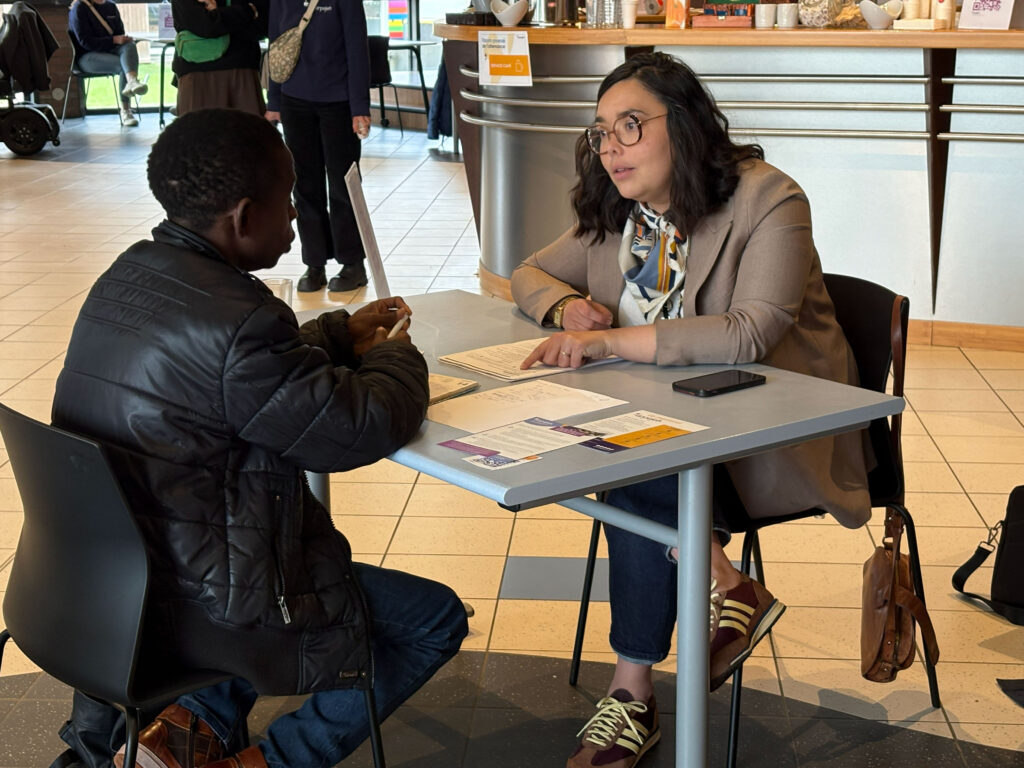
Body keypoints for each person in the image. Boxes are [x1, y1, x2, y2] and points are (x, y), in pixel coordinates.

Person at [51, 108, 468, 768]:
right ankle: (273, 762)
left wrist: (334, 336)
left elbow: (227, 377)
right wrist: (396, 354)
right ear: (244, 218)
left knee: (273, 584)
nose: (298, 219)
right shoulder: (242, 318)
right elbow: (358, 427)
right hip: (205, 596)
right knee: (434, 620)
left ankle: (181, 737)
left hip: (120, 578)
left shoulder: (131, 274)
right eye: (290, 201)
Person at [510, 52, 871, 768]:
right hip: (672, 431)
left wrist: (609, 338)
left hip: (772, 431)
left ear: (684, 125)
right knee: (641, 455)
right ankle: (724, 582)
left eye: (631, 126)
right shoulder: (624, 213)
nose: (610, 148)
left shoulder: (769, 198)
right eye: (601, 132)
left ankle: (631, 696)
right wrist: (565, 304)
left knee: (639, 468)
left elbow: (749, 331)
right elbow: (527, 272)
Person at [265, 0, 371, 294]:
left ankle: (352, 264)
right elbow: (275, 46)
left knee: (343, 185)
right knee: (304, 185)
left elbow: (357, 49)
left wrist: (359, 106)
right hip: (294, 100)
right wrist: (274, 102)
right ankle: (314, 264)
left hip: (337, 102)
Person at [171, 0, 267, 116]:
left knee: (248, 131)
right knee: (197, 131)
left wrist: (218, 16)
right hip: (197, 73)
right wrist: (248, 11)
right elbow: (205, 25)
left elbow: (263, 26)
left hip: (243, 69)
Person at [68, 0, 148, 127]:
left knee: (130, 46)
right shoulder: (80, 7)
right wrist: (114, 40)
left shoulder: (111, 6)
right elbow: (85, 42)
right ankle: (126, 111)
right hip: (87, 57)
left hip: (110, 51)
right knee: (124, 65)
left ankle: (132, 81)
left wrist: (122, 39)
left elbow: (119, 33)